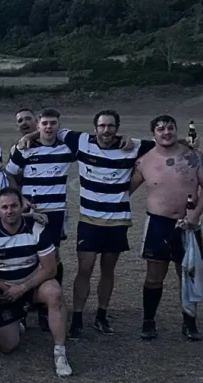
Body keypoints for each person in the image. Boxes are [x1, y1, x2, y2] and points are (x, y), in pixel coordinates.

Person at [64, 110, 152, 338]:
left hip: (117, 221)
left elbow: (163, 144)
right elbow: (50, 129)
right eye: (102, 126)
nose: (106, 130)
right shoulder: (81, 141)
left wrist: (132, 140)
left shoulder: (132, 146)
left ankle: (101, 316)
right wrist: (27, 137)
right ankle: (77, 318)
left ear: (117, 128)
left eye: (111, 126)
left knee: (108, 270)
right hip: (89, 220)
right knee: (85, 268)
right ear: (95, 128)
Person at [0, 188, 71, 376]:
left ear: (22, 206)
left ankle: (60, 353)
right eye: (4, 207)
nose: (10, 210)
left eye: (14, 205)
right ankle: (15, 325)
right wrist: (3, 286)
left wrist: (23, 287)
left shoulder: (35, 228)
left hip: (32, 286)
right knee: (8, 346)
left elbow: (50, 268)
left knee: (54, 292)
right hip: (7, 293)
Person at [130, 115, 203, 341]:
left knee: (188, 275)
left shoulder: (194, 156)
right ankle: (148, 321)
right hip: (158, 224)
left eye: (170, 128)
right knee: (154, 277)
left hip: (188, 225)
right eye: (160, 129)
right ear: (153, 134)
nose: (166, 132)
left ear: (176, 130)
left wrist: (195, 215)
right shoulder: (144, 161)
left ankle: (189, 323)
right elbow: (124, 189)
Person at [4, 108, 73, 332]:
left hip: (55, 213)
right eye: (45, 123)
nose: (48, 127)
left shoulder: (67, 147)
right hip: (30, 211)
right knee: (27, 256)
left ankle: (47, 306)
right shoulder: (23, 149)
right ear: (40, 124)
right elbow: (9, 173)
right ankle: (23, 307)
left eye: (53, 123)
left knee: (54, 257)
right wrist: (20, 198)